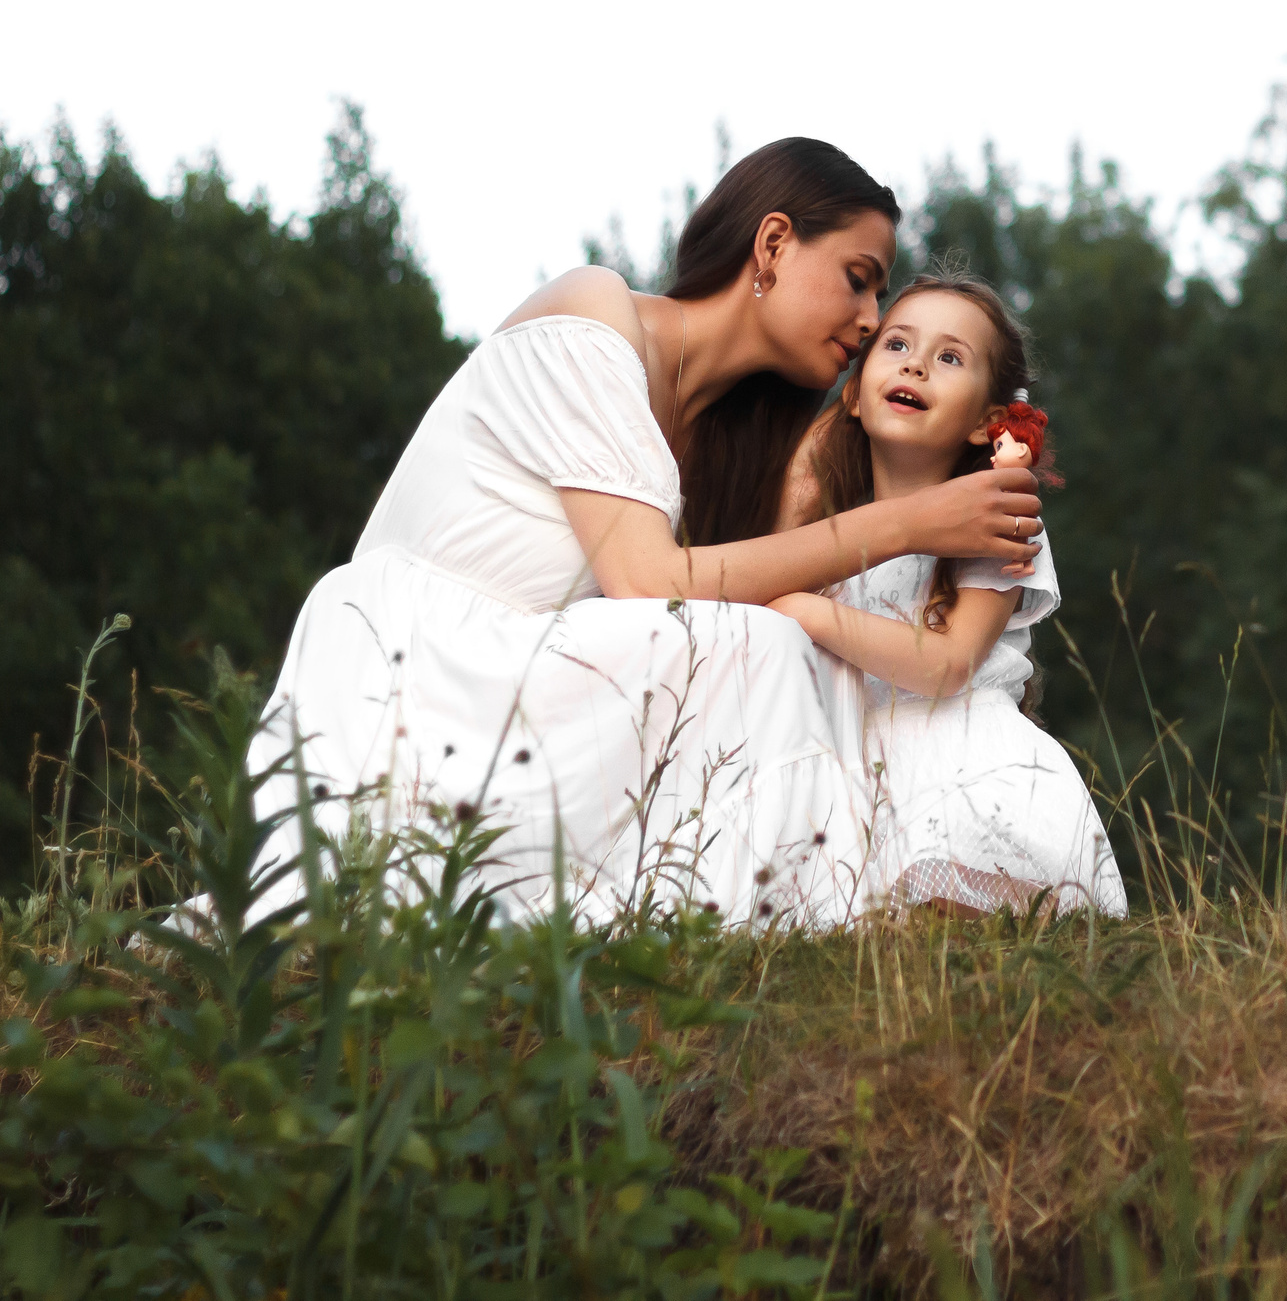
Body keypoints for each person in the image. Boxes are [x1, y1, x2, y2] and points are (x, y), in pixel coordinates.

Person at [242, 139, 1045, 926]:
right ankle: (792, 906)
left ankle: (801, 902)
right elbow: (645, 581)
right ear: (772, 244)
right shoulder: (597, 313)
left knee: (794, 646)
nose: (871, 321)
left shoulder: (731, 435)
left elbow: (748, 569)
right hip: (427, 667)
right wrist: (905, 523)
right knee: (770, 645)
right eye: (858, 280)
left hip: (550, 679)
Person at [770, 268, 1126, 918]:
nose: (916, 365)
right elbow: (774, 535)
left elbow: (951, 662)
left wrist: (808, 613)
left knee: (953, 908)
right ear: (855, 396)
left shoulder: (1001, 517)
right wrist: (828, 427)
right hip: (855, 764)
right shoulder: (829, 528)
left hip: (961, 758)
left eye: (950, 357)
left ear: (987, 422)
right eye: (897, 345)